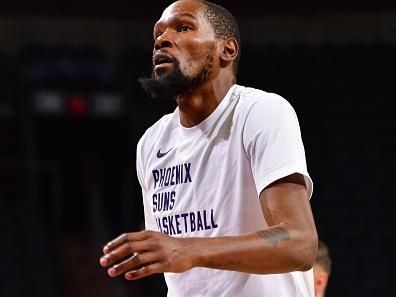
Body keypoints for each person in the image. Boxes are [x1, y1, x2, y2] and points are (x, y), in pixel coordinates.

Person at [99, 0, 318, 296]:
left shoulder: (260, 112)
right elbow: (177, 265)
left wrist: (189, 249)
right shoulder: (152, 143)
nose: (162, 40)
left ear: (226, 50)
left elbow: (299, 243)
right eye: (158, 35)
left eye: (184, 27)